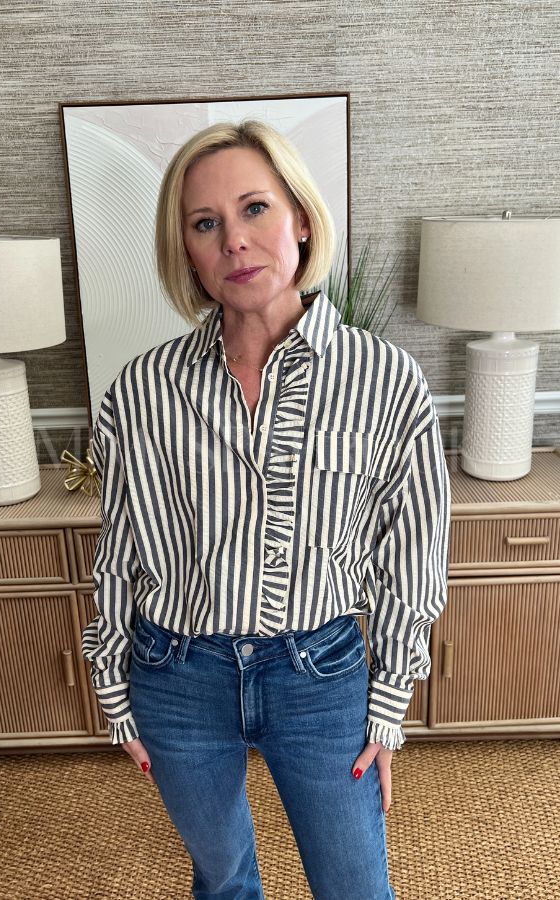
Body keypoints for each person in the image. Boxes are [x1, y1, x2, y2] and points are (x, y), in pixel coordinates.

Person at [82, 120, 451, 900]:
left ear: (302, 219)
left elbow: (412, 554)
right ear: (186, 250)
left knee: (355, 886)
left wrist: (389, 703)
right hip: (177, 675)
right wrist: (112, 682)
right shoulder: (141, 393)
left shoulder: (386, 381)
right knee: (222, 882)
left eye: (255, 208)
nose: (234, 242)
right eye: (205, 223)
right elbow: (121, 552)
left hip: (319, 677)